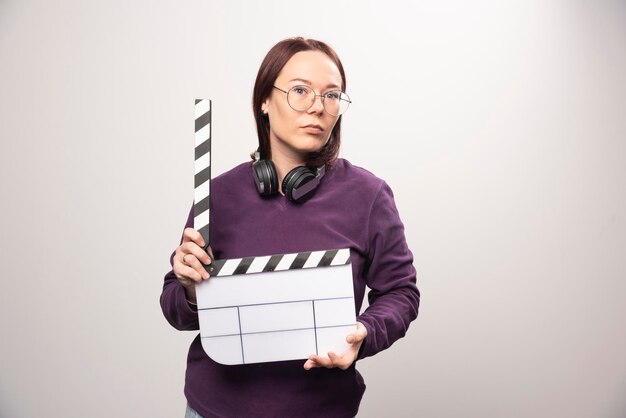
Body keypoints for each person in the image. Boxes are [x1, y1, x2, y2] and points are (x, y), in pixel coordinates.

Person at [160, 37, 420, 418]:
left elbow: (401, 293)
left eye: (332, 95)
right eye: (300, 90)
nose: (318, 106)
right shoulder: (215, 195)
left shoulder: (369, 196)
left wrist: (363, 333)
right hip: (212, 409)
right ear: (264, 100)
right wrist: (189, 288)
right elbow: (176, 311)